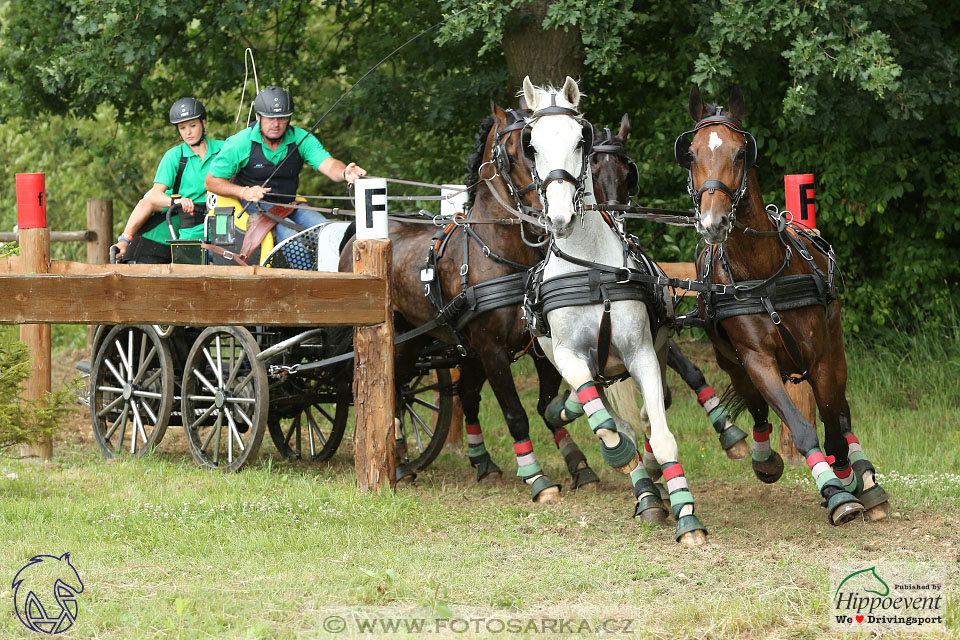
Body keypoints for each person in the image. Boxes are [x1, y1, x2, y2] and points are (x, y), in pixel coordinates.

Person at [204, 86, 366, 246]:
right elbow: (211, 182)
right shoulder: (240, 143)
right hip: (253, 207)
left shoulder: (301, 138)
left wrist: (345, 172)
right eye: (270, 118)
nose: (276, 124)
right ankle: (302, 271)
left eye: (282, 118)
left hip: (289, 206)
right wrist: (244, 192)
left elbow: (329, 165)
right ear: (258, 117)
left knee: (326, 231)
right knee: (291, 240)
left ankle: (327, 270)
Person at [114, 98, 224, 263]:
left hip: (222, 220)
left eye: (193, 125)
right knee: (190, 277)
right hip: (191, 223)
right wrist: (177, 201)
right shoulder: (174, 156)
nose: (188, 132)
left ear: (204, 122)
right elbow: (155, 195)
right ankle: (125, 241)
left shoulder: (224, 149)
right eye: (182, 128)